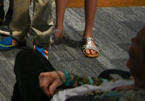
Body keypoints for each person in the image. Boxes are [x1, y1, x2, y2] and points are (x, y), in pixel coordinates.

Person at [11, 25, 145, 100]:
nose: (131, 41)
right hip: (70, 93)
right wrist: (68, 78)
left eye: (138, 43)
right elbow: (102, 84)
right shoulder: (129, 81)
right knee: (29, 60)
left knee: (27, 64)